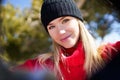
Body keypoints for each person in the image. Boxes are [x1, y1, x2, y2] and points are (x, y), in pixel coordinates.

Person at [14, 0, 120, 80]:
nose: (60, 32)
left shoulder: (110, 53)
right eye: (51, 27)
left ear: (78, 21)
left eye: (65, 20)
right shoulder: (41, 65)